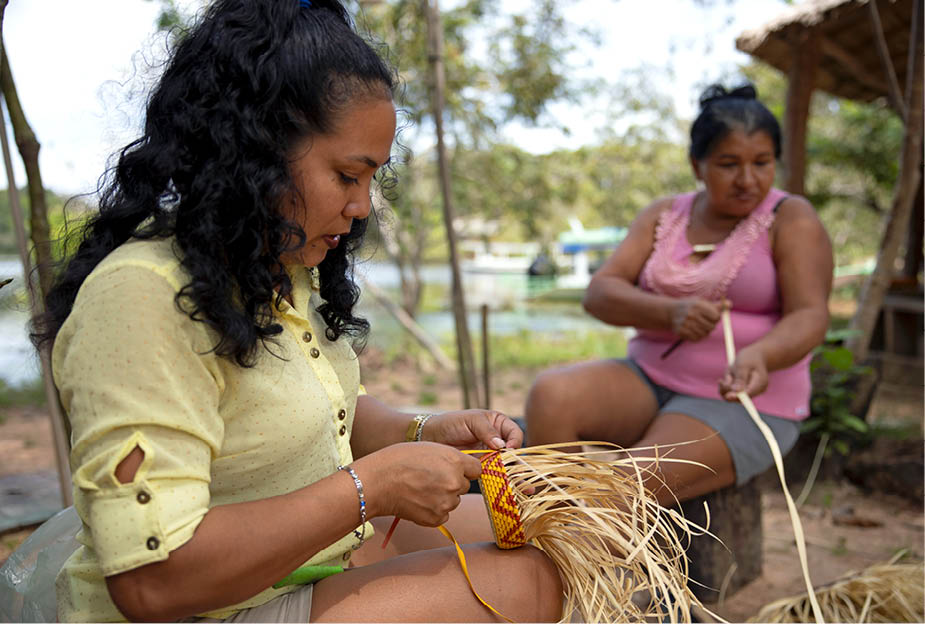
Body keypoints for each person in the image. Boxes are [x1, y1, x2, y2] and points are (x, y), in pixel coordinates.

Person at [30, 1, 563, 621]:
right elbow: (154, 581)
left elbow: (309, 413)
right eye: (346, 175)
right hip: (202, 608)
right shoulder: (139, 297)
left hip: (303, 565)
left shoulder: (279, 267)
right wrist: (374, 488)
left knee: (551, 531)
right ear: (253, 151)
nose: (363, 207)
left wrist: (421, 431)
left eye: (373, 180)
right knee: (525, 585)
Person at [524, 83, 833, 506]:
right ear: (697, 165)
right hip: (650, 379)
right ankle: (553, 542)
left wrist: (761, 356)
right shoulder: (663, 214)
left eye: (762, 163)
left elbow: (810, 315)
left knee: (618, 488)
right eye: (728, 164)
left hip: (744, 402)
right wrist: (668, 313)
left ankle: (576, 556)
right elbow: (599, 293)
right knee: (550, 395)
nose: (748, 180)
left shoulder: (790, 218)